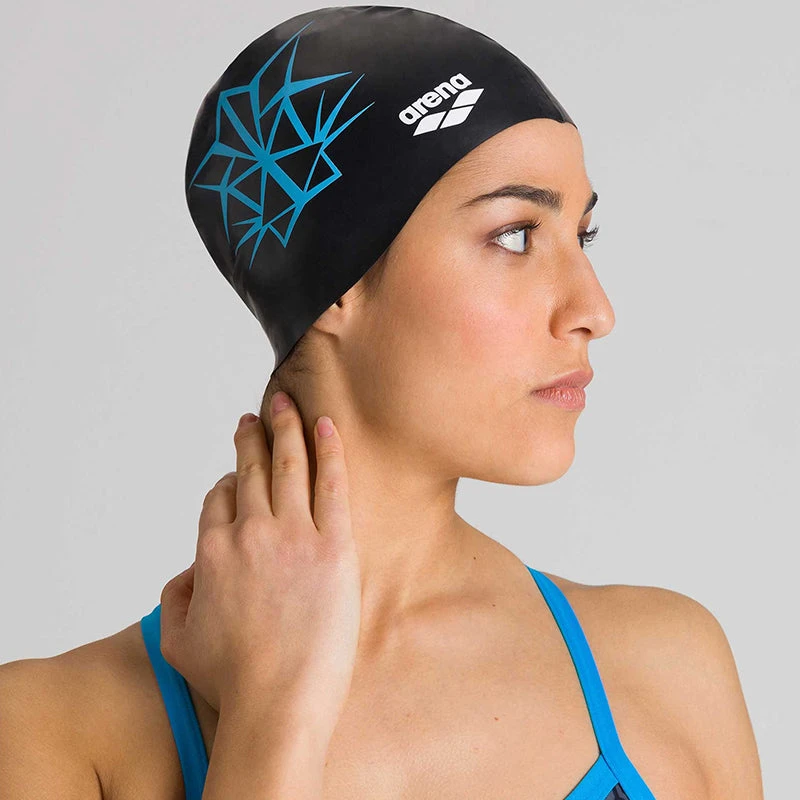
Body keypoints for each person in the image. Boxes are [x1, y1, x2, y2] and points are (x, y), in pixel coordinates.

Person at [0, 7, 763, 800]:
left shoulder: (668, 671)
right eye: (514, 235)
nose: (594, 310)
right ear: (336, 279)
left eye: (583, 235)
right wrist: (271, 715)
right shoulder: (48, 732)